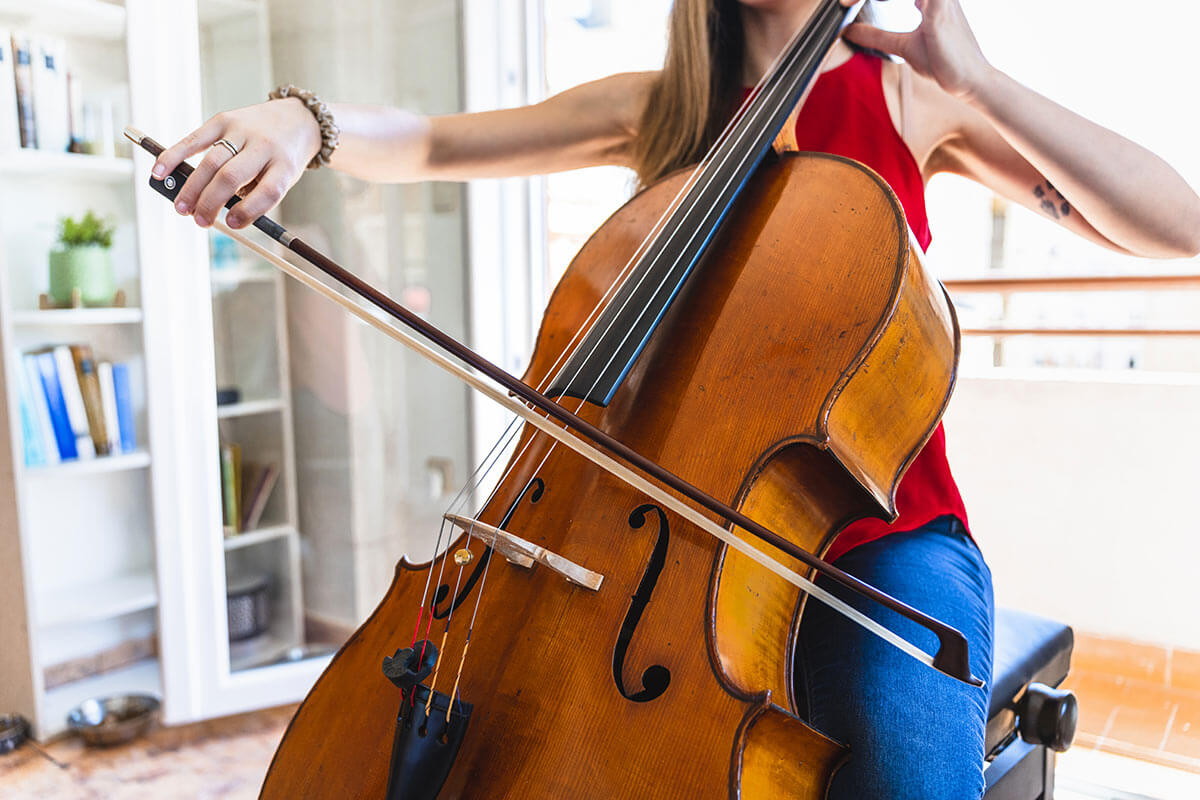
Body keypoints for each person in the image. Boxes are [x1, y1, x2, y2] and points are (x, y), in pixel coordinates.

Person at [154, 1, 1200, 797]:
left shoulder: (906, 93)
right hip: (638, 533)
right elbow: (431, 141)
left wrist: (981, 81)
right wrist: (303, 122)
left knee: (901, 755)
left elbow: (1173, 222)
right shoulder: (658, 109)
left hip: (880, 537)